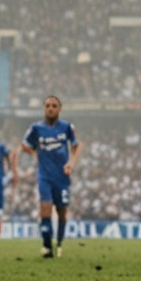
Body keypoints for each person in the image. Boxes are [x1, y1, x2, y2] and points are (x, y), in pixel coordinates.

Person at [20, 96, 81, 258]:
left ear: (60, 108)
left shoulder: (67, 127)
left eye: (54, 105)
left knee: (62, 211)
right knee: (45, 209)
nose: (50, 108)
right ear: (44, 108)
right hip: (44, 175)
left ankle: (59, 243)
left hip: (62, 176)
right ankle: (47, 246)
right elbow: (24, 145)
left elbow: (77, 146)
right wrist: (34, 154)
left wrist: (71, 163)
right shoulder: (36, 128)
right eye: (47, 105)